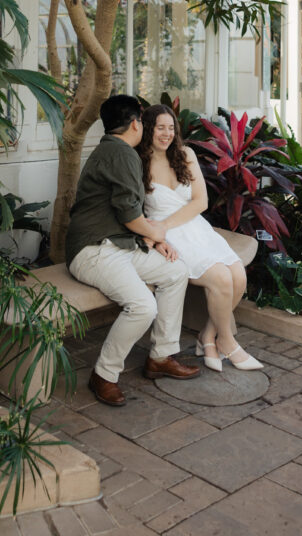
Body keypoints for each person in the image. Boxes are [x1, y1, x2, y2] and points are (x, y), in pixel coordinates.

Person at [66, 94, 200, 407]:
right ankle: (104, 374)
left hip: (119, 245)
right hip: (93, 251)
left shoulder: (114, 150)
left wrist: (152, 237)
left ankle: (161, 356)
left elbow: (127, 212)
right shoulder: (121, 153)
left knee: (174, 271)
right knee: (143, 306)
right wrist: (156, 232)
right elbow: (129, 214)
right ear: (136, 124)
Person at [138, 104, 263, 372]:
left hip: (194, 227)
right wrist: (158, 236)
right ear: (148, 129)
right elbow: (135, 211)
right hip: (166, 236)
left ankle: (207, 336)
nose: (166, 134)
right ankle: (228, 343)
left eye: (171, 128)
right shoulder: (139, 162)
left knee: (238, 274)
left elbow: (201, 201)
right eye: (160, 127)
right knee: (219, 277)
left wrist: (165, 225)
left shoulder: (185, 154)